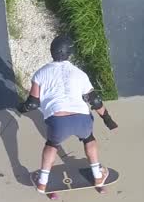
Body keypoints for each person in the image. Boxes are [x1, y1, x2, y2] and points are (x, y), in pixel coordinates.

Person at [18, 35, 118, 193]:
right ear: (70, 53)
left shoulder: (40, 73)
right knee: (89, 139)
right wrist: (108, 120)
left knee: (52, 144)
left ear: (52, 51)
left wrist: (21, 108)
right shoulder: (80, 74)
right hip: (82, 120)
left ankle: (43, 182)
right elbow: (95, 100)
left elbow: (32, 104)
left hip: (58, 123)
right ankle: (98, 176)